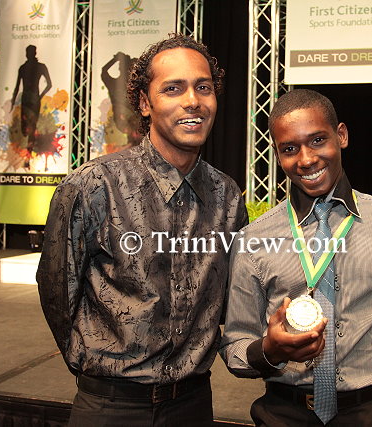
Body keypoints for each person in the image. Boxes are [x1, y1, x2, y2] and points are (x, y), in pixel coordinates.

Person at [37, 34, 248, 426]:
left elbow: (232, 299)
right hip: (110, 408)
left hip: (192, 407)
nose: (193, 101)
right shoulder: (94, 185)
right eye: (173, 88)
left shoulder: (227, 196)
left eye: (203, 87)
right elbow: (57, 291)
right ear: (145, 103)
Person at [220, 89, 372, 426]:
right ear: (277, 155)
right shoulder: (254, 239)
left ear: (342, 136)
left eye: (318, 140)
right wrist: (271, 351)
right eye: (289, 149)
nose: (306, 159)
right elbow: (236, 345)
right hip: (284, 415)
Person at [10, 45, 52, 165]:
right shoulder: (23, 68)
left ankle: (28, 157)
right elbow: (17, 86)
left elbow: (49, 84)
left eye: (30, 52)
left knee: (31, 128)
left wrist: (40, 96)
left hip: (33, 100)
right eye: (27, 52)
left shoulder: (40, 67)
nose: (28, 54)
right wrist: (13, 102)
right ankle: (27, 153)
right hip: (27, 100)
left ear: (34, 53)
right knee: (25, 129)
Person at [101, 52, 142, 147]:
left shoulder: (135, 86)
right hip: (127, 120)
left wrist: (116, 59)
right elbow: (104, 71)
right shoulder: (114, 84)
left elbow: (104, 71)